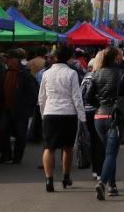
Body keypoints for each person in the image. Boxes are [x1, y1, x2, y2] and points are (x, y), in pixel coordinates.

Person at [84, 47, 124, 200]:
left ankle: (112, 185)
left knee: (108, 153)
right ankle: (103, 183)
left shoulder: (96, 73)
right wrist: (123, 109)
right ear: (116, 58)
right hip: (114, 117)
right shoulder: (122, 73)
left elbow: (88, 97)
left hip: (99, 116)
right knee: (111, 154)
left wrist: (100, 104)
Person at [37, 44, 86, 192]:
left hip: (50, 112)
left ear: (55, 57)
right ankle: (66, 176)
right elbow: (77, 97)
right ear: (69, 57)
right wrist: (82, 117)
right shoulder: (72, 73)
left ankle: (49, 179)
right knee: (67, 147)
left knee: (49, 147)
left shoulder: (46, 74)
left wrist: (43, 113)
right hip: (68, 113)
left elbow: (41, 97)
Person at [0, 49, 38, 164]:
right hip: (6, 108)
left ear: (16, 60)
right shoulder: (5, 73)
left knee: (20, 134)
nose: (7, 61)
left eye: (10, 59)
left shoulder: (25, 74)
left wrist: (27, 108)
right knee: (3, 131)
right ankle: (6, 154)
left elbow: (32, 93)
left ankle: (17, 156)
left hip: (20, 110)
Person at [80, 51, 106, 181]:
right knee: (101, 142)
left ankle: (95, 170)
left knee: (92, 141)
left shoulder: (87, 77)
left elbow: (81, 94)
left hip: (87, 112)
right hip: (100, 111)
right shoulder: (104, 76)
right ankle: (99, 170)